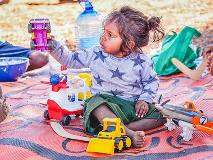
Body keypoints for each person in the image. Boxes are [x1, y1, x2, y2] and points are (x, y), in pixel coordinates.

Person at [49, 6, 166, 148]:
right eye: (104, 31)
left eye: (110, 35)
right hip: (103, 109)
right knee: (94, 102)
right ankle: (127, 132)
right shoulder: (96, 53)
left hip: (131, 108)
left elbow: (151, 82)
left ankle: (118, 128)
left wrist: (144, 100)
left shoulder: (142, 61)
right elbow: (71, 60)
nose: (103, 36)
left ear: (129, 44)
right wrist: (53, 46)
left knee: (161, 116)